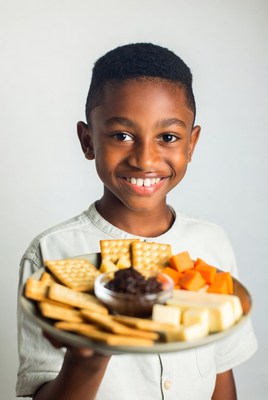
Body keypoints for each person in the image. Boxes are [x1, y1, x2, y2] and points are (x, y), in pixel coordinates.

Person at [16, 43, 257, 400]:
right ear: (88, 141)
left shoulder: (212, 244)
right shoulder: (51, 256)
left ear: (191, 144)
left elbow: (221, 376)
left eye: (168, 137)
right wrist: (88, 359)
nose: (145, 159)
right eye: (122, 136)